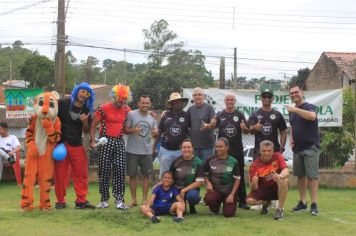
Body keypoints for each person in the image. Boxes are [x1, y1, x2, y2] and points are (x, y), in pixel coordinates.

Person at [54, 82, 96, 210]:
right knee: (60, 175)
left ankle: (81, 201)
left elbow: (86, 130)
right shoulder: (62, 104)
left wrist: (84, 122)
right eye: (82, 91)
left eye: (87, 94)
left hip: (77, 145)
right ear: (77, 91)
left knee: (81, 174)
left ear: (89, 97)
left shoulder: (87, 110)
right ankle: (60, 201)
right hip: (61, 145)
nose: (84, 95)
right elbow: (50, 114)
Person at [89, 84, 131, 210]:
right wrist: (92, 140)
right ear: (114, 96)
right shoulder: (103, 108)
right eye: (120, 98)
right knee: (104, 171)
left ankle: (119, 200)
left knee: (120, 170)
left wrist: (149, 113)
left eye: (124, 99)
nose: (122, 101)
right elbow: (93, 124)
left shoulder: (127, 110)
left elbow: (134, 120)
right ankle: (104, 200)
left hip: (119, 141)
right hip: (105, 141)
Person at [286, 84, 320, 216]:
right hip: (297, 148)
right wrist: (292, 138)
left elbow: (312, 117)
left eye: (296, 92)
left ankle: (314, 204)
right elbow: (293, 127)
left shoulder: (309, 107)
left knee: (312, 177)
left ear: (302, 92)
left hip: (310, 147)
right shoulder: (292, 111)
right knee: (300, 177)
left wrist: (295, 110)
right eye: (291, 93)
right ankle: (302, 202)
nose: (294, 95)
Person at [212, 93, 250, 210]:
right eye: (227, 100)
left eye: (231, 100)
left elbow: (246, 131)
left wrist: (245, 128)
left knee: (240, 177)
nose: (229, 101)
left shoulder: (240, 115)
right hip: (221, 153)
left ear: (235, 101)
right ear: (224, 101)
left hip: (237, 151)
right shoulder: (219, 114)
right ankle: (216, 200)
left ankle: (242, 201)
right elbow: (212, 125)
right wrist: (211, 123)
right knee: (218, 175)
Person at [124, 95, 158, 207]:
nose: (145, 105)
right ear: (138, 103)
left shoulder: (153, 117)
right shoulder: (131, 114)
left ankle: (144, 200)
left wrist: (155, 134)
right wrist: (133, 130)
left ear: (150, 104)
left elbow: (155, 133)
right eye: (143, 103)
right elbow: (125, 130)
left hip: (147, 151)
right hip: (132, 150)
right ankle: (133, 200)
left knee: (146, 175)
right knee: (132, 175)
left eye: (147, 103)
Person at [246, 140, 289, 220]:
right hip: (263, 189)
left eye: (269, 151)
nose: (266, 153)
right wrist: (254, 183)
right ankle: (266, 202)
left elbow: (286, 171)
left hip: (276, 187)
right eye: (264, 151)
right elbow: (253, 188)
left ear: (273, 151)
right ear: (260, 151)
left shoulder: (278, 156)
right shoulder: (254, 165)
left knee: (283, 180)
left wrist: (280, 176)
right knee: (249, 201)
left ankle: (279, 209)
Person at [155, 92, 190, 178]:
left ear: (182, 103)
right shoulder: (166, 115)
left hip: (180, 151)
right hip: (165, 150)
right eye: (175, 102)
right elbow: (159, 131)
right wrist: (154, 146)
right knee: (164, 175)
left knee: (179, 175)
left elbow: (190, 132)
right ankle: (162, 191)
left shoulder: (187, 116)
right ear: (171, 104)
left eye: (179, 102)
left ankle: (178, 192)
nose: (177, 104)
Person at [204, 138, 240, 218]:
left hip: (229, 192)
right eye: (216, 147)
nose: (218, 149)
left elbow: (237, 180)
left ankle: (228, 204)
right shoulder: (210, 160)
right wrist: (208, 182)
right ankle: (215, 208)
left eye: (220, 146)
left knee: (228, 214)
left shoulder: (233, 161)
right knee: (209, 199)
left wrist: (232, 194)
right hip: (215, 190)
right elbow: (205, 175)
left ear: (227, 147)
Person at [248, 88, 287, 160]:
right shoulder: (254, 114)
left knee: (274, 172)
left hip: (274, 151)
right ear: (260, 98)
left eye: (269, 96)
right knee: (258, 171)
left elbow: (283, 132)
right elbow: (250, 130)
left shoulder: (278, 114)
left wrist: (281, 148)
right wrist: (254, 128)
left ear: (272, 98)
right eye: (264, 96)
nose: (266, 98)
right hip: (259, 152)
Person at [169, 139, 204, 214]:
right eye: (184, 147)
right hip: (177, 189)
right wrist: (161, 184)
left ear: (192, 148)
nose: (186, 149)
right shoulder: (175, 161)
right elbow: (170, 177)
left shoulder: (198, 162)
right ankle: (182, 203)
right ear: (181, 148)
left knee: (192, 197)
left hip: (191, 189)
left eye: (189, 147)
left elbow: (198, 182)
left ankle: (192, 205)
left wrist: (184, 190)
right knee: (179, 211)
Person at [187, 87, 215, 162]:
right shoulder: (190, 109)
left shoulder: (209, 108)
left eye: (199, 94)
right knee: (195, 169)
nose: (197, 97)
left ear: (203, 96)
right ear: (193, 97)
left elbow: (214, 123)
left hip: (207, 146)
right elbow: (187, 124)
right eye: (195, 95)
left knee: (206, 169)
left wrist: (208, 125)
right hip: (194, 146)